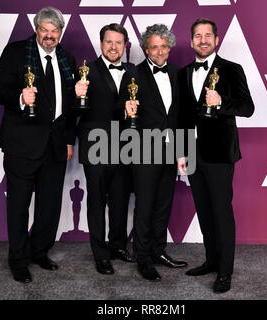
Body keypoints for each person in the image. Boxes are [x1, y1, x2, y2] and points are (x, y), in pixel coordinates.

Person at [0, 7, 77, 283]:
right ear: (36, 29)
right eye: (45, 30)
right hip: (21, 145)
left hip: (54, 145)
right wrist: (21, 96)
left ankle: (39, 251)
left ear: (60, 33)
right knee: (18, 205)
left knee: (49, 205)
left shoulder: (67, 59)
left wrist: (68, 141)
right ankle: (18, 259)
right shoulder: (16, 52)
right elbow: (1, 92)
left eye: (55, 31)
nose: (50, 36)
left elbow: (69, 109)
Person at [178, 18, 254, 293]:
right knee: (204, 209)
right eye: (197, 36)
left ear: (216, 39)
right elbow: (182, 117)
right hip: (192, 153)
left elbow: (247, 108)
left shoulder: (233, 70)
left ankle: (225, 271)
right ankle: (211, 260)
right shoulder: (184, 73)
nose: (203, 40)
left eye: (208, 35)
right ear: (191, 41)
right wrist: (181, 152)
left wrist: (221, 102)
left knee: (221, 211)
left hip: (220, 153)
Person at [122, 24, 187, 282]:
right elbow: (122, 108)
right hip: (144, 149)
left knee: (163, 203)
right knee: (145, 205)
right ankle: (143, 258)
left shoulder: (177, 73)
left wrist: (183, 150)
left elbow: (181, 116)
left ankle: (159, 251)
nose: (159, 51)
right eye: (153, 47)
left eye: (163, 46)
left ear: (169, 47)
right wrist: (127, 110)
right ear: (145, 49)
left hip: (171, 149)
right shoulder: (134, 75)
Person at [74, 23, 135, 275]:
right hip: (95, 146)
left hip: (125, 148)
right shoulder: (85, 72)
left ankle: (118, 245)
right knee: (97, 202)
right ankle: (100, 254)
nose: (113, 47)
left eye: (118, 42)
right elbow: (75, 110)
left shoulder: (133, 71)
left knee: (120, 200)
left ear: (125, 45)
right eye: (109, 42)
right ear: (101, 44)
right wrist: (75, 96)